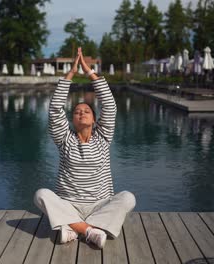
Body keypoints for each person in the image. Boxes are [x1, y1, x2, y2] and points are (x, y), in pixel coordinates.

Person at [33, 47, 136, 249]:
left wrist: (89, 72)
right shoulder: (64, 139)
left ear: (95, 119)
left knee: (128, 198)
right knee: (40, 195)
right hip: (69, 204)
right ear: (72, 120)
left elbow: (110, 105)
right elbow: (55, 109)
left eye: (87, 110)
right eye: (77, 111)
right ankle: (90, 231)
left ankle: (71, 228)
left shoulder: (103, 137)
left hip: (100, 205)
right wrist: (70, 73)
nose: (81, 113)